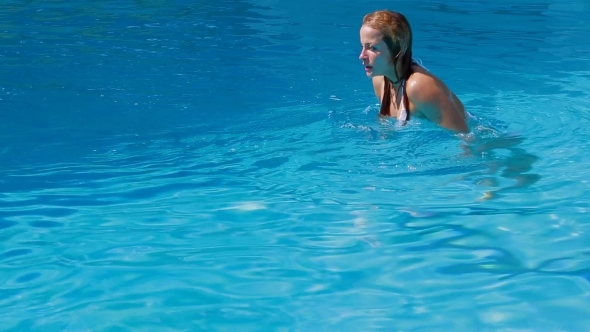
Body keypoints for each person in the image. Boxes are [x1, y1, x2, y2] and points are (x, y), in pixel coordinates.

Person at [359, 10, 469, 133]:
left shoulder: (419, 86)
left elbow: (466, 137)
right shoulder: (380, 80)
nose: (361, 56)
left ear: (397, 49)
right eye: (362, 46)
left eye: (372, 48)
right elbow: (386, 125)